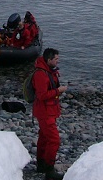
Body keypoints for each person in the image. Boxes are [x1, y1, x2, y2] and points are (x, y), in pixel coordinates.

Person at [32, 48, 68, 179]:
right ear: (49, 60)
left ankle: (41, 164)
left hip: (48, 110)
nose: (58, 61)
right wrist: (58, 91)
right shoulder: (41, 74)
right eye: (56, 59)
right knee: (54, 140)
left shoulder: (48, 71)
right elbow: (42, 95)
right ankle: (49, 171)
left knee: (44, 137)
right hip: (45, 111)